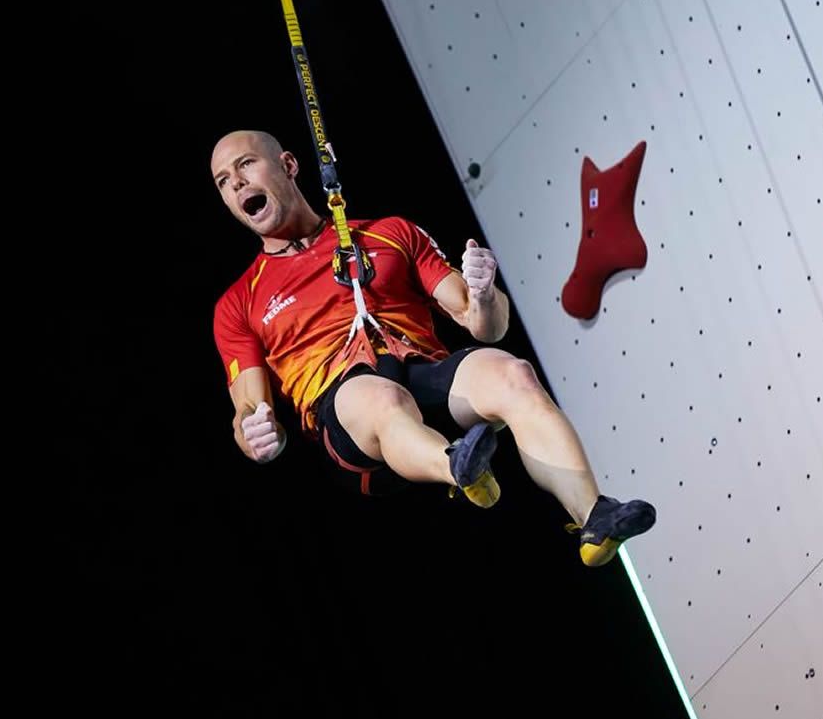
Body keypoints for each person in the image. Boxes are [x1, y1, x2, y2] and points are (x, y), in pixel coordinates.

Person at [210, 130, 655, 566]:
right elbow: (249, 409)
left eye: (246, 164)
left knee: (512, 372)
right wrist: (257, 436)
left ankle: (594, 517)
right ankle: (458, 468)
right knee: (382, 398)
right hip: (353, 424)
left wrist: (484, 294)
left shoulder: (390, 234)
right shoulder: (239, 302)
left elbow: (485, 325)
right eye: (224, 182)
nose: (237, 184)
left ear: (287, 165)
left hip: (423, 374)